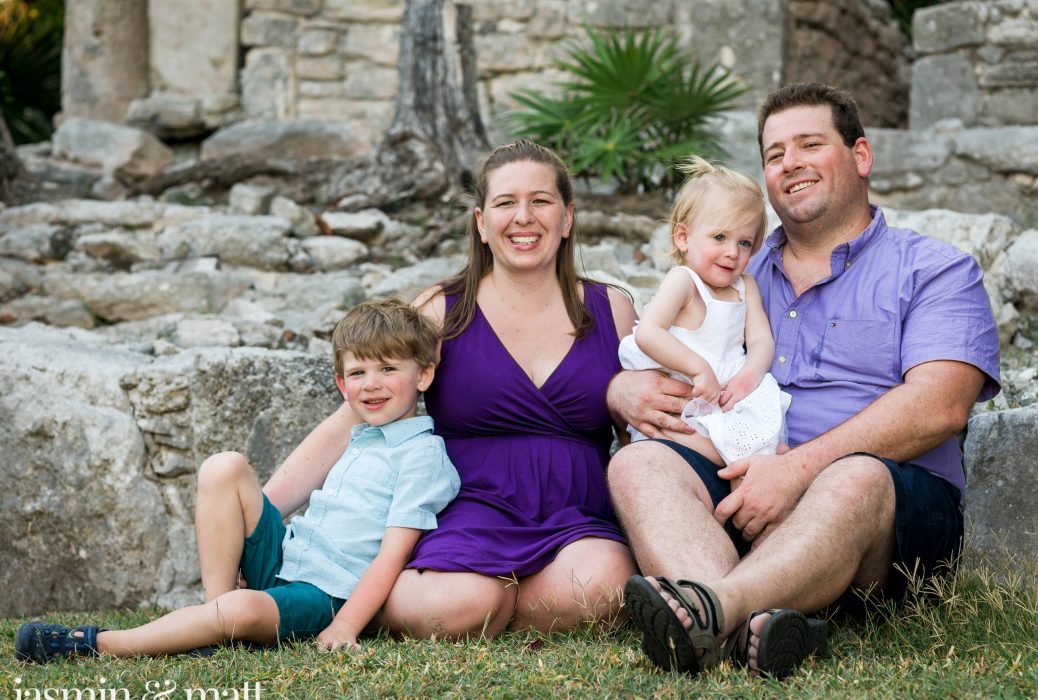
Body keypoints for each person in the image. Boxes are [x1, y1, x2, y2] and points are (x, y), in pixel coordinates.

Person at [607, 82, 1001, 679]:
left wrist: (795, 471)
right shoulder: (733, 269)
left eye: (810, 144)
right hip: (742, 484)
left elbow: (940, 407)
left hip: (884, 509)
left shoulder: (936, 269)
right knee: (636, 466)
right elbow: (668, 349)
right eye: (773, 154)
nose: (790, 163)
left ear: (860, 156)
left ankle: (718, 607)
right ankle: (763, 628)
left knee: (853, 477)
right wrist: (621, 391)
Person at [262, 139, 639, 639]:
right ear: (482, 223)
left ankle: (489, 608)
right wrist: (263, 520)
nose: (523, 217)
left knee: (604, 586)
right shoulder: (442, 310)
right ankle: (470, 603)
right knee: (450, 603)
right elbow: (359, 412)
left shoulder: (612, 308)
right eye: (506, 203)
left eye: (541, 201)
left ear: (567, 218)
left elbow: (637, 436)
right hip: (466, 509)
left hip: (576, 514)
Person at [15, 298, 460, 662]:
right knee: (222, 467)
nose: (372, 384)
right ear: (341, 385)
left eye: (388, 369)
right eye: (358, 373)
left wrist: (344, 624)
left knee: (243, 609)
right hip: (286, 556)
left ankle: (96, 642)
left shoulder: (421, 455)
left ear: (422, 374)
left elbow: (392, 554)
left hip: (325, 593)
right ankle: (214, 616)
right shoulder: (362, 436)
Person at [617, 156, 791, 480]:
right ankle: (751, 462)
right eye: (719, 238)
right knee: (679, 437)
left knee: (760, 432)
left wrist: (750, 374)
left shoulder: (746, 286)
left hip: (728, 391)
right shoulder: (684, 281)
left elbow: (760, 339)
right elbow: (649, 332)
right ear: (683, 237)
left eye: (744, 243)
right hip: (688, 390)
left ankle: (756, 471)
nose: (732, 252)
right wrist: (698, 368)